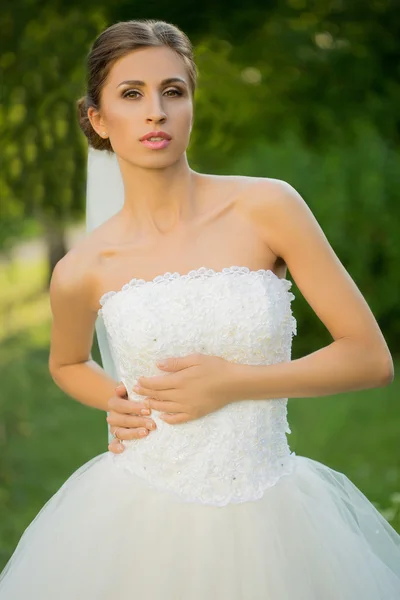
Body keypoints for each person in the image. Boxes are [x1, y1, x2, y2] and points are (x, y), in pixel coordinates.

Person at [0, 17, 399, 600]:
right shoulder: (82, 268)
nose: (155, 111)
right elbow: (67, 363)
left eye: (173, 91)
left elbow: (369, 359)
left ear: (190, 105)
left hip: (276, 512)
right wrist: (116, 401)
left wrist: (236, 382)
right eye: (131, 95)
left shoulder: (268, 206)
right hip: (138, 516)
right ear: (98, 119)